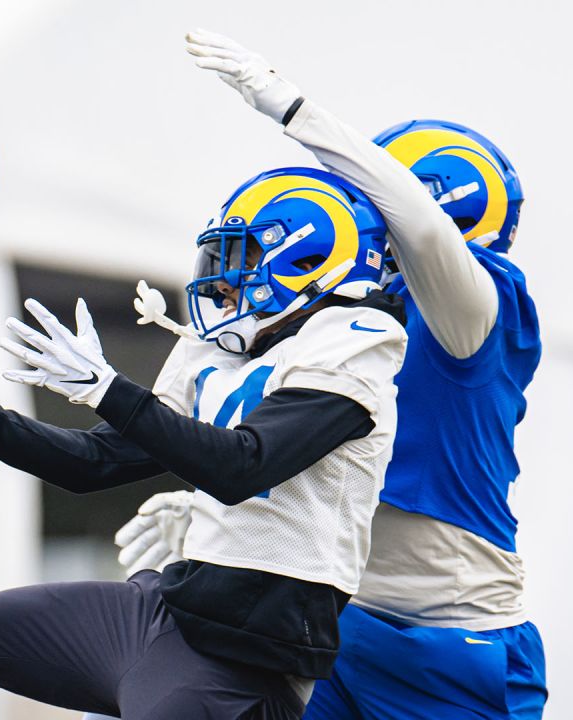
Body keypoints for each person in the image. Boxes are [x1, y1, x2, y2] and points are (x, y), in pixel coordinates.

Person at [0, 167, 408, 720]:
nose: (222, 278)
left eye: (244, 256)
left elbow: (241, 466)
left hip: (243, 664)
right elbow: (91, 463)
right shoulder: (216, 353)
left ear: (310, 262)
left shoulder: (355, 341)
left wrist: (110, 391)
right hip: (159, 611)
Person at [111, 30, 547, 720]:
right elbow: (300, 463)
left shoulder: (478, 307)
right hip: (335, 624)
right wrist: (213, 521)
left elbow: (426, 233)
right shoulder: (339, 324)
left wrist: (293, 109)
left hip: (451, 643)